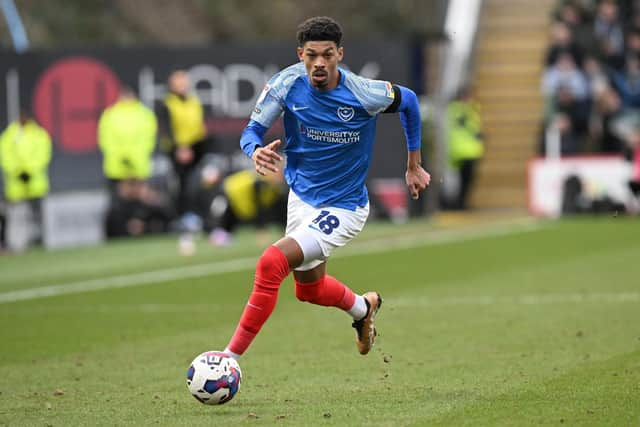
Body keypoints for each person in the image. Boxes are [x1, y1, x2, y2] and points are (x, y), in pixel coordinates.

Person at [222, 16, 430, 361]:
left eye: (328, 55)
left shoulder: (363, 92)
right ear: (301, 54)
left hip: (344, 207)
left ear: (339, 54)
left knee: (271, 262)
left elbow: (408, 101)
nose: (320, 63)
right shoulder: (286, 84)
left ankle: (229, 359)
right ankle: (363, 310)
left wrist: (413, 164)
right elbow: (251, 132)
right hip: (302, 198)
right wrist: (253, 151)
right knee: (310, 290)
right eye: (312, 55)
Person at [98, 87, 170, 237]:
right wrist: (123, 156)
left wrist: (131, 157)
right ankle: (118, 235)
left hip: (138, 166)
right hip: (117, 168)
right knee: (117, 205)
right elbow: (106, 139)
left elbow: (148, 139)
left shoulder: (144, 114)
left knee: (142, 203)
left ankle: (143, 231)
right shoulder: (111, 114)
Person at [157, 70, 216, 218]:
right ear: (172, 85)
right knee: (182, 185)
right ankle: (183, 216)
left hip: (196, 148)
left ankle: (201, 214)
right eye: (179, 82)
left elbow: (199, 125)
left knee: (201, 183)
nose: (183, 85)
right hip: (177, 150)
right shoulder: (168, 103)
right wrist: (180, 148)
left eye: (184, 82)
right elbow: (166, 129)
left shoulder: (194, 101)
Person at [0, 109, 52, 251]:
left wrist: (29, 171)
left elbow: (43, 155)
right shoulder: (9, 135)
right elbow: (5, 156)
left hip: (36, 184)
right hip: (16, 185)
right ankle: (16, 245)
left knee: (37, 218)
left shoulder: (39, 134)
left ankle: (39, 244)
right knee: (16, 217)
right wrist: (18, 172)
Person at [209, 166, 288, 247]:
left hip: (237, 197)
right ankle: (218, 235)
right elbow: (259, 209)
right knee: (222, 223)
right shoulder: (260, 183)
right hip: (227, 193)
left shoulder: (273, 186)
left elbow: (277, 209)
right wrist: (262, 232)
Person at [446, 86, 485, 209]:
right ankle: (460, 203)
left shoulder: (459, 109)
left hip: (465, 150)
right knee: (465, 179)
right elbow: (469, 125)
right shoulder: (462, 109)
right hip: (465, 151)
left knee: (465, 179)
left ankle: (461, 203)